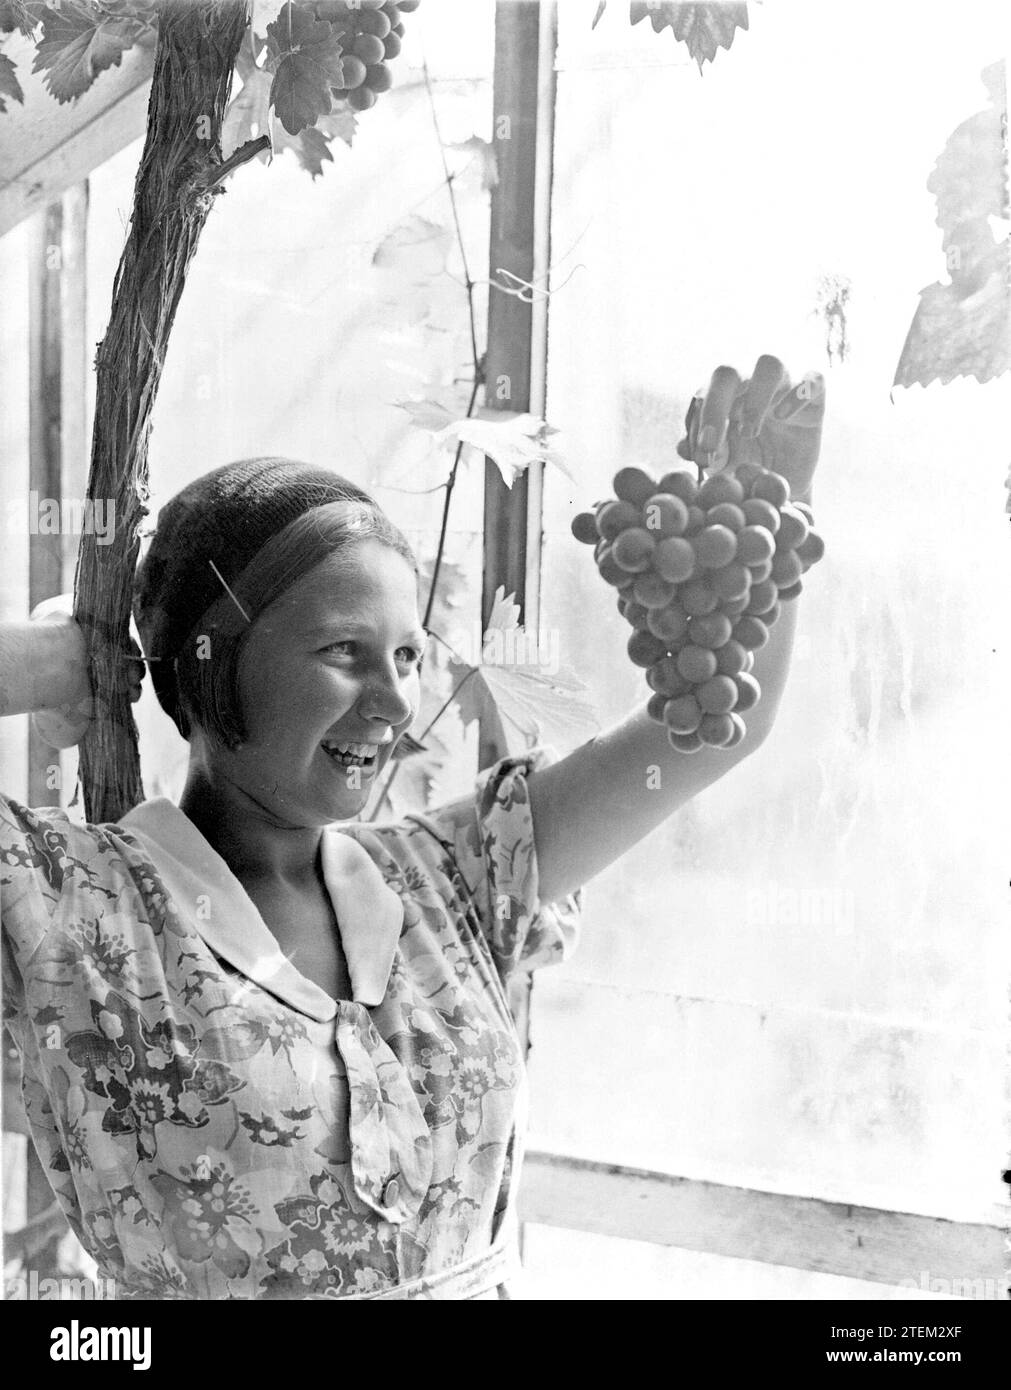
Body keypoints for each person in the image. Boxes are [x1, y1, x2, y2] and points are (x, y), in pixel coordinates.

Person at [0, 356, 824, 1300]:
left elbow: (710, 729)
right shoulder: (70, 910)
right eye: (344, 652)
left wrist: (769, 511)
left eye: (405, 653)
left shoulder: (452, 877)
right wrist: (55, 664)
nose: (395, 699)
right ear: (210, 663)